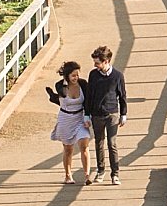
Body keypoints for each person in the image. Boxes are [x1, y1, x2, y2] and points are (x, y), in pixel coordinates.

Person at [84, 45, 127, 185]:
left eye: (97, 63)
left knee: (112, 143)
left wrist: (123, 114)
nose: (95, 65)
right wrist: (87, 114)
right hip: (97, 114)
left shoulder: (117, 76)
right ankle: (101, 171)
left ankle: (115, 174)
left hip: (112, 113)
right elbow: (89, 95)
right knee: (99, 143)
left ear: (106, 61)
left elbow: (122, 96)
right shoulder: (93, 75)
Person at [46, 59, 92, 184]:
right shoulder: (60, 85)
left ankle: (87, 175)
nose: (76, 78)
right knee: (68, 149)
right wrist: (66, 82)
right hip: (65, 119)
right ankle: (68, 175)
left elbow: (87, 101)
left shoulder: (83, 84)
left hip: (79, 118)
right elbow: (63, 93)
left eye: (77, 75)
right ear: (67, 76)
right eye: (73, 75)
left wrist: (87, 116)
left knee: (84, 146)